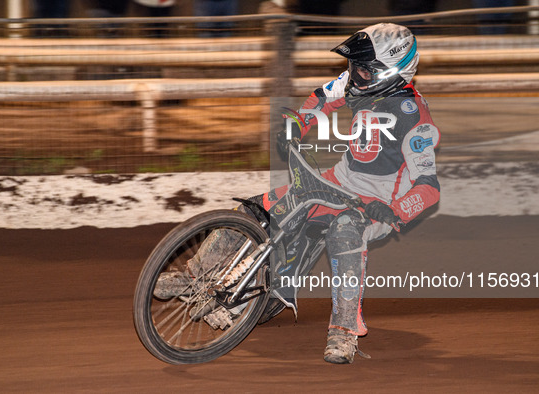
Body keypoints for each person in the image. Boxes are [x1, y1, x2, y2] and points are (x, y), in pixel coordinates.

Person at [155, 23, 441, 364]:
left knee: (345, 229)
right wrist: (293, 128)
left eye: (364, 68)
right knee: (256, 210)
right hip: (338, 181)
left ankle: (344, 331)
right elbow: (320, 99)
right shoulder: (357, 83)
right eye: (355, 67)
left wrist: (396, 210)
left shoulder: (415, 118)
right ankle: (194, 277)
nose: (355, 74)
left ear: (393, 71)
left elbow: (428, 188)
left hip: (377, 203)